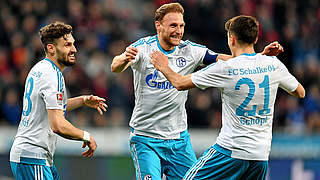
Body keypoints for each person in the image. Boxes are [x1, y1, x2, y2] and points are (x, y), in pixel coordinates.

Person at [111, 3, 283, 179]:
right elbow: (115, 66)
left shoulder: (190, 50)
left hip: (178, 140)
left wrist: (257, 57)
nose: (178, 31)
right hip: (146, 138)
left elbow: (225, 60)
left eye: (181, 26)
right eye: (173, 26)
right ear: (158, 25)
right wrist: (124, 58)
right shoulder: (144, 48)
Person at [149, 15, 305, 180]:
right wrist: (265, 60)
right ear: (256, 38)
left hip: (230, 150)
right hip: (260, 155)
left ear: (232, 39)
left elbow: (179, 83)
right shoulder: (273, 64)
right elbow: (300, 92)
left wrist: (163, 66)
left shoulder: (225, 68)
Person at [9, 21, 108, 180]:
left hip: (34, 156)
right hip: (32, 156)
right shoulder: (51, 75)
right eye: (67, 45)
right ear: (51, 48)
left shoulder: (43, 68)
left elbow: (53, 107)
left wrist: (82, 100)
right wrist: (86, 136)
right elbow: (57, 125)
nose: (74, 49)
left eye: (73, 44)